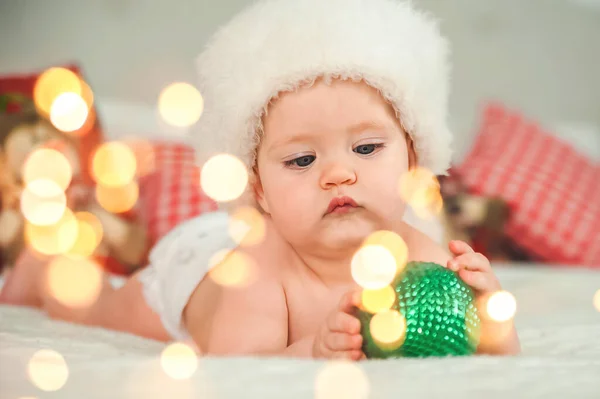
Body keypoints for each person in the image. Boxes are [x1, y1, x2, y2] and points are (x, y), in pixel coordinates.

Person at [0, 0, 520, 358]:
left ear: (411, 162)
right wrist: (310, 354)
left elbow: (490, 354)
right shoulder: (260, 271)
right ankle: (42, 268)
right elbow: (236, 366)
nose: (339, 173)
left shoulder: (423, 257)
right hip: (199, 275)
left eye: (366, 148)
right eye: (300, 161)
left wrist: (488, 312)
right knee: (96, 307)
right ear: (259, 189)